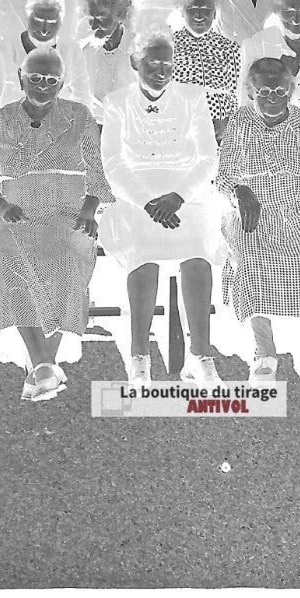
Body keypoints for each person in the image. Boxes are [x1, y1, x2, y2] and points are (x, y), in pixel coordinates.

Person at [0, 48, 111, 403]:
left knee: (69, 256)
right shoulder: (4, 117)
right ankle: (45, 366)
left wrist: (89, 210)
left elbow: (98, 174)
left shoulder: (79, 116)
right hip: (14, 209)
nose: (42, 85)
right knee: (2, 253)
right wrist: (0, 204)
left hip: (68, 209)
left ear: (63, 83)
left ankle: (41, 367)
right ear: (21, 78)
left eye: (52, 80)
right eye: (35, 78)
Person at [217, 57, 300, 390]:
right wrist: (240, 191)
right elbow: (224, 176)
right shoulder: (239, 122)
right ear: (251, 92)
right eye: (264, 91)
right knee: (250, 256)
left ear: (291, 90)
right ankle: (264, 354)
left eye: (280, 90)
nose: (272, 97)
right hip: (257, 210)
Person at [98, 30, 224, 386]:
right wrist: (147, 202)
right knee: (143, 251)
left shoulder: (192, 97)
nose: (161, 69)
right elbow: (113, 164)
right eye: (152, 62)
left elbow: (207, 158)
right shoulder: (116, 101)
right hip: (138, 194)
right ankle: (139, 357)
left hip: (187, 191)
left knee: (198, 251)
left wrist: (178, 197)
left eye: (167, 63)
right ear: (136, 62)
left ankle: (201, 356)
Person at [0, 0, 92, 109]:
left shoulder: (72, 52)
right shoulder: (3, 49)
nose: (44, 30)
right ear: (27, 18)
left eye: (52, 22)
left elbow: (83, 101)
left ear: (61, 22)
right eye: (38, 21)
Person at [170, 0, 243, 136]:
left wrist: (227, 125)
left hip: (221, 129)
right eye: (193, 8)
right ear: (182, 11)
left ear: (215, 13)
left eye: (206, 9)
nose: (199, 15)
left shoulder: (230, 48)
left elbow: (236, 94)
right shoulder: (168, 46)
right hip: (180, 127)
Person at [73, 0, 137, 114]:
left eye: (101, 18)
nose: (95, 26)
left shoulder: (139, 48)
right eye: (91, 19)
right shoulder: (83, 52)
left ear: (120, 16)